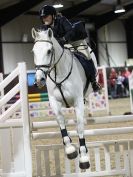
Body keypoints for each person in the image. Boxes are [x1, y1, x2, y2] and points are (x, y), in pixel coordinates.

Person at [39, 5, 101, 92]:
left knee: (87, 57)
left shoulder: (62, 20)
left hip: (76, 41)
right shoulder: (45, 27)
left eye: (46, 16)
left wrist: (64, 39)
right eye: (42, 17)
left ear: (53, 15)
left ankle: (93, 82)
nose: (44, 19)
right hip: (63, 45)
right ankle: (41, 80)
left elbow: (71, 31)